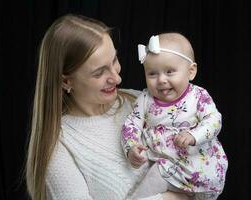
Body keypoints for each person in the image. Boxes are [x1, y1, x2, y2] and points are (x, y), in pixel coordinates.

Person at [26, 14, 190, 200]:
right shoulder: (58, 146)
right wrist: (173, 198)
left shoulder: (140, 102)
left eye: (114, 60)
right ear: (66, 81)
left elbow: (199, 165)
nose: (117, 78)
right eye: (99, 73)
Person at [121, 33, 228, 200]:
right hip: (167, 168)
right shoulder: (145, 99)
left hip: (199, 169)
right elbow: (131, 124)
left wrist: (194, 135)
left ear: (190, 72)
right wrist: (131, 147)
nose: (161, 80)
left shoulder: (198, 96)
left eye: (170, 72)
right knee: (148, 185)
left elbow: (214, 121)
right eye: (152, 74)